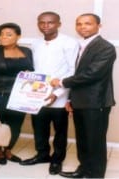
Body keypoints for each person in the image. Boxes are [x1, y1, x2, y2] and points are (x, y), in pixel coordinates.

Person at [50, 13, 116, 178]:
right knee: (83, 139)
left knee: (95, 141)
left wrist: (61, 82)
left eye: (87, 24)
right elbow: (78, 73)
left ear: (98, 26)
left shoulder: (105, 47)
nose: (82, 27)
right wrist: (70, 99)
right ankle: (83, 169)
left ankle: (95, 174)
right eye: (79, 24)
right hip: (80, 101)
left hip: (96, 102)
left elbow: (91, 74)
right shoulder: (82, 45)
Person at [20, 11, 79, 175]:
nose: (46, 26)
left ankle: (57, 160)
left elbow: (72, 72)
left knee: (60, 131)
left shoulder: (69, 42)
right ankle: (42, 155)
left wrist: (57, 93)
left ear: (58, 24)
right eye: (42, 22)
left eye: (50, 22)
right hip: (37, 96)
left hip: (58, 96)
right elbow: (36, 69)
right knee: (39, 128)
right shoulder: (36, 43)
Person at [0, 23, 34, 165]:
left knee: (15, 124)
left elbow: (31, 71)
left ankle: (8, 150)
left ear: (18, 36)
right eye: (1, 34)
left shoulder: (27, 51)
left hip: (20, 96)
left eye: (9, 34)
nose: (4, 37)